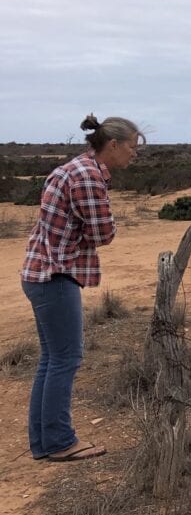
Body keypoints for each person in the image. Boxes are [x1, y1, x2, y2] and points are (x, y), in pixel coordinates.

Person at [21, 114, 144, 462]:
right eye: (132, 148)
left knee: (52, 360)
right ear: (114, 145)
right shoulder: (89, 177)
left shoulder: (74, 167)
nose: (134, 155)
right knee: (65, 359)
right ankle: (60, 443)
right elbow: (104, 233)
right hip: (55, 276)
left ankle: (44, 444)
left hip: (39, 272)